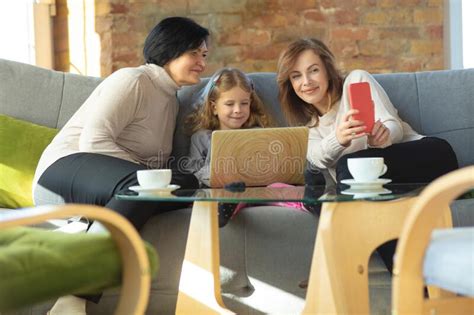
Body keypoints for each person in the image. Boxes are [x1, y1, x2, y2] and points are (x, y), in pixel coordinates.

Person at [32, 16, 209, 314]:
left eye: (204, 56)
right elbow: (94, 141)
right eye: (195, 53)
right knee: (145, 186)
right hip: (62, 172)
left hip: (114, 185)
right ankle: (72, 300)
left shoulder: (172, 101)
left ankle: (90, 225)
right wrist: (148, 178)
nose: (202, 64)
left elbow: (154, 168)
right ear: (169, 49)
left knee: (188, 183)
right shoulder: (133, 80)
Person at [276, 38, 458, 272]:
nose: (307, 82)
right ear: (290, 84)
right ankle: (411, 280)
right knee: (361, 190)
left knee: (349, 166)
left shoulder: (355, 81)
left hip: (429, 158)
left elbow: (393, 124)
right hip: (382, 188)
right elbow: (319, 157)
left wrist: (384, 137)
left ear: (327, 71)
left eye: (313, 70)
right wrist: (338, 139)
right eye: (296, 76)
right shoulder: (307, 129)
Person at [185, 67, 280, 227]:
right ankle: (226, 206)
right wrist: (216, 173)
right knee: (203, 196)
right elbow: (192, 172)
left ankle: (307, 203)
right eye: (230, 104)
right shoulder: (201, 138)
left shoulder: (257, 134)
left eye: (244, 103)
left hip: (252, 190)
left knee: (279, 187)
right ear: (214, 107)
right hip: (217, 190)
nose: (238, 110)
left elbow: (269, 166)